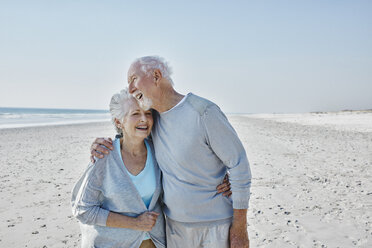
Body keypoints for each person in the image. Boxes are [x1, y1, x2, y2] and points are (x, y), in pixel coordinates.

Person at [91, 56, 251, 248]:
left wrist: (240, 229)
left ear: (156, 76)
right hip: (175, 229)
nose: (130, 89)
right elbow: (130, 139)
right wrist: (100, 145)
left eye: (133, 79)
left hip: (215, 227)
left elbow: (239, 165)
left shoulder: (203, 112)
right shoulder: (153, 121)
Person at [71, 89, 165, 248]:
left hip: (155, 242)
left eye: (148, 113)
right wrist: (135, 223)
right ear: (118, 122)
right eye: (135, 114)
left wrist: (221, 180)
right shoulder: (104, 157)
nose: (144, 119)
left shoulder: (159, 152)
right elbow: (83, 210)